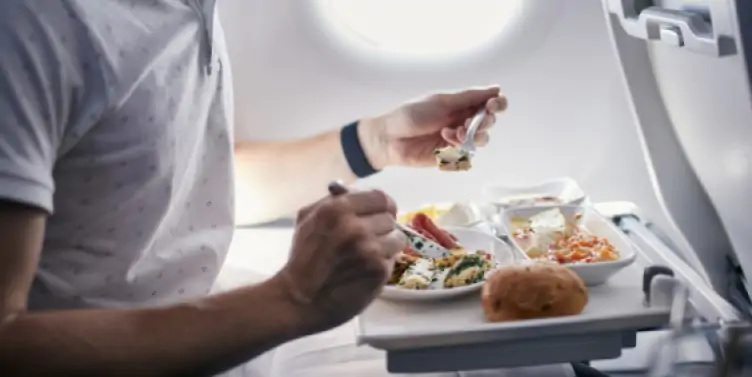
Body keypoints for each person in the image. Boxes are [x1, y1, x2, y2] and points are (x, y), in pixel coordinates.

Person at [0, 1, 506, 376]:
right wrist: (290, 299)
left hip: (218, 330)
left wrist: (374, 142)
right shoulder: (29, 27)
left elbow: (185, 182)